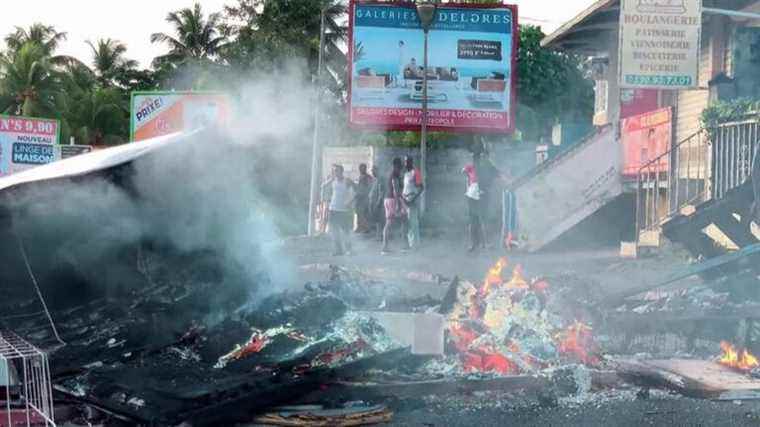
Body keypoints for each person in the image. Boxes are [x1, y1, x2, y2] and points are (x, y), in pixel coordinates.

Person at [321, 164, 355, 256]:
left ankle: (349, 249)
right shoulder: (332, 180)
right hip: (333, 208)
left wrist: (349, 202)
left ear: (341, 171)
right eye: (334, 171)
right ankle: (338, 250)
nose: (335, 172)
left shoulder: (347, 181)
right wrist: (330, 179)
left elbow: (355, 192)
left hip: (343, 210)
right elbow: (323, 186)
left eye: (337, 170)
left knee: (345, 231)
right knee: (334, 231)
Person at [382, 158, 407, 254]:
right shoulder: (394, 175)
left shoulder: (392, 174)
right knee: (399, 221)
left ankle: (387, 247)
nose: (401, 168)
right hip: (393, 200)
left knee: (394, 222)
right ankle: (402, 245)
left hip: (389, 199)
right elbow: (396, 190)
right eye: (400, 166)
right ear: (396, 166)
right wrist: (398, 204)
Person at [402, 156, 424, 249]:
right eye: (405, 161)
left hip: (412, 202)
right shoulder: (406, 174)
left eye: (407, 162)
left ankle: (415, 245)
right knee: (408, 223)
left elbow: (421, 187)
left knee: (413, 223)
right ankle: (411, 244)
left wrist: (413, 199)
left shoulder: (415, 172)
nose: (405, 163)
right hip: (405, 201)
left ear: (411, 162)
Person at [462, 159, 483, 252]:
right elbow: (463, 171)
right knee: (474, 222)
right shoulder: (471, 170)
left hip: (477, 201)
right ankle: (475, 243)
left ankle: (478, 243)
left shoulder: (475, 179)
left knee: (477, 222)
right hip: (473, 200)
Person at [368, 165, 386, 241]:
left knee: (379, 220)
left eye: (373, 171)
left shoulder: (380, 179)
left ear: (377, 170)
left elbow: (381, 192)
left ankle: (380, 236)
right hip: (373, 201)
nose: (372, 172)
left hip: (377, 202)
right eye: (372, 171)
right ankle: (378, 235)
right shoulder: (375, 179)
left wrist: (378, 202)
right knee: (376, 220)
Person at [354, 163, 373, 233]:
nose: (361, 170)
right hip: (359, 197)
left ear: (365, 169)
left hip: (364, 197)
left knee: (364, 213)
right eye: (360, 168)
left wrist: (367, 194)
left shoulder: (368, 177)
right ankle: (359, 227)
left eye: (362, 168)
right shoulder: (360, 176)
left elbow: (369, 186)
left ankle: (366, 228)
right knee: (358, 212)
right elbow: (359, 186)